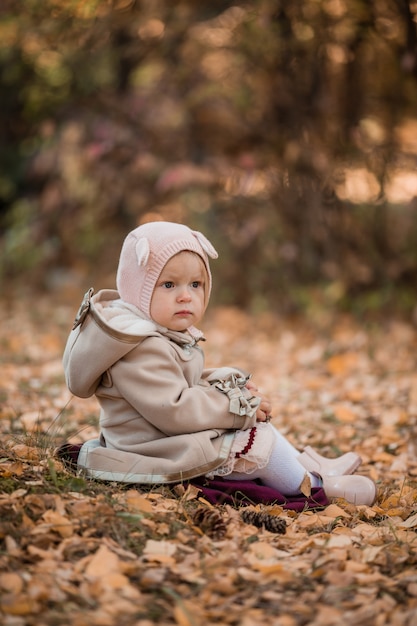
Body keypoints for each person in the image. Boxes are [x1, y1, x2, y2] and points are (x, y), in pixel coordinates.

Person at [61, 221, 376, 506]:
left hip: (164, 435)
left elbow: (182, 382)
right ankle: (317, 486)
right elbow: (174, 408)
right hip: (149, 448)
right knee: (256, 441)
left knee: (254, 420)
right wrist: (233, 406)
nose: (186, 296)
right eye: (169, 285)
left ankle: (310, 467)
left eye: (195, 285)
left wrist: (227, 382)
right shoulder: (139, 349)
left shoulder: (160, 334)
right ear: (137, 290)